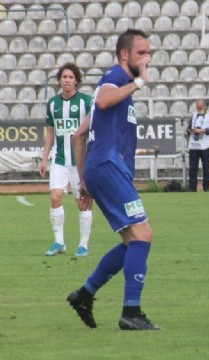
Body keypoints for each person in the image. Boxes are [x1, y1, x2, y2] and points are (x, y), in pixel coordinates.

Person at [68, 28, 160, 330]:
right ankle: (130, 313)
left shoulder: (116, 89)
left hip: (101, 168)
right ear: (125, 55)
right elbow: (106, 100)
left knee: (132, 240)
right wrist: (138, 83)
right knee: (143, 234)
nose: (146, 59)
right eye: (141, 53)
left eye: (148, 53)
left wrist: (85, 180)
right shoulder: (117, 79)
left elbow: (80, 134)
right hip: (108, 165)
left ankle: (84, 294)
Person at [40, 63, 94, 257]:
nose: (67, 80)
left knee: (83, 201)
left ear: (77, 80)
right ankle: (59, 242)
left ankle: (83, 244)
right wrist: (44, 159)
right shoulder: (53, 104)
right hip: (60, 160)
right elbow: (51, 132)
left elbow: (94, 129)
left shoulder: (86, 102)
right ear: (59, 80)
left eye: (71, 77)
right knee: (55, 197)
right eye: (64, 77)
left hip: (81, 163)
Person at [186, 99, 209, 192]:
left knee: (206, 167)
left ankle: (206, 187)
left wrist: (201, 131)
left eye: (200, 108)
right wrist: (189, 130)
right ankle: (192, 187)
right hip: (194, 145)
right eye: (197, 108)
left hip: (206, 145)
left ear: (204, 106)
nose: (198, 110)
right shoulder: (194, 115)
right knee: (192, 168)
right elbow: (188, 128)